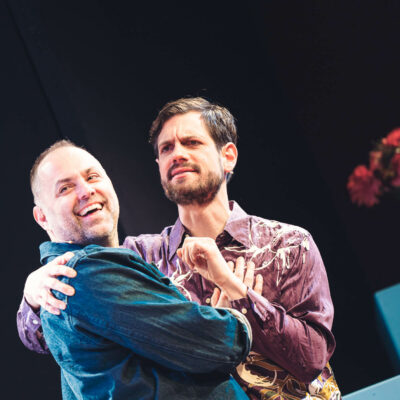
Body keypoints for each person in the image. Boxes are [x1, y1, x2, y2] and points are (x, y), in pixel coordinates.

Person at [18, 98, 341, 399]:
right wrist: (32, 295)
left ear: (228, 156)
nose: (177, 154)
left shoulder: (286, 243)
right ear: (159, 165)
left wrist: (237, 291)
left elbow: (312, 359)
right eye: (166, 148)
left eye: (192, 142)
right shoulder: (137, 258)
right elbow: (50, 336)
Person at [20, 141, 252, 399]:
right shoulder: (78, 274)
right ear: (42, 217)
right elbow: (219, 343)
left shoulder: (132, 254)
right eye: (65, 188)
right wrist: (232, 320)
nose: (86, 191)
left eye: (92, 177)